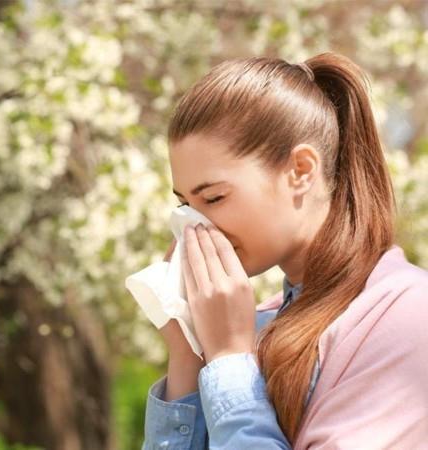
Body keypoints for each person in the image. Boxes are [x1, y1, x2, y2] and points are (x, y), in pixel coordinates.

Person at [141, 52, 428, 449]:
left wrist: (228, 359)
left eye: (214, 197)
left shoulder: (404, 314)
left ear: (301, 171)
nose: (196, 226)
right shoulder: (257, 327)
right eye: (185, 205)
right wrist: (188, 351)